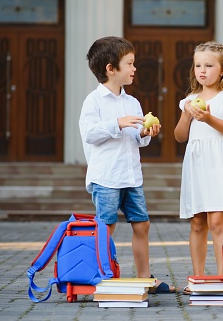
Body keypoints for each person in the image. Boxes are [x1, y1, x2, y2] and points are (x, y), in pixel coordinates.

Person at [79, 36, 175, 294]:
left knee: (142, 224)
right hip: (106, 177)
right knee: (106, 226)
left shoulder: (132, 102)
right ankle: (100, 276)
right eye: (129, 64)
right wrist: (117, 123)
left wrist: (145, 133)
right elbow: (89, 134)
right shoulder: (94, 101)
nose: (134, 69)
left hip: (131, 176)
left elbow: (136, 140)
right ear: (111, 69)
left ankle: (145, 276)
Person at [174, 41, 223, 293]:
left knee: (217, 222)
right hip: (197, 164)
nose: (202, 70)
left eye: (209, 65)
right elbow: (179, 136)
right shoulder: (190, 100)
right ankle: (197, 278)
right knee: (197, 223)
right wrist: (186, 115)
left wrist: (208, 118)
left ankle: (222, 277)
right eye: (198, 65)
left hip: (218, 163)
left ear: (222, 70)